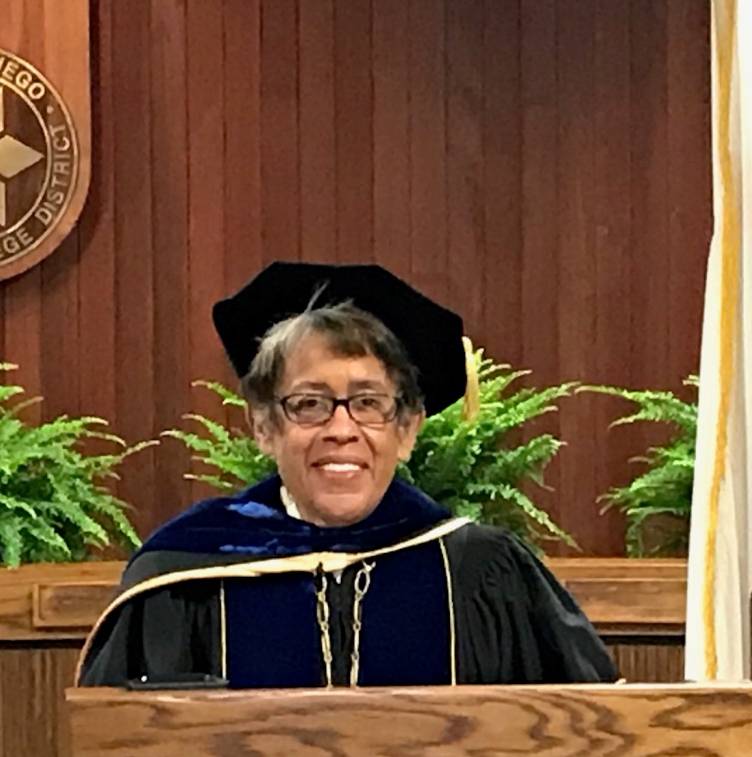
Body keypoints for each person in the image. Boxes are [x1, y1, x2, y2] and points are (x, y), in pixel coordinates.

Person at [76, 262, 618, 689]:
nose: (341, 429)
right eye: (309, 404)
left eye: (368, 402)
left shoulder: (483, 575)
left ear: (406, 430)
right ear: (264, 426)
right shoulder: (183, 579)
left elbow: (590, 748)